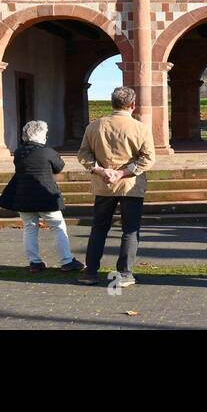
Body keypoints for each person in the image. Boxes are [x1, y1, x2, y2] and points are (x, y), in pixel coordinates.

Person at [76, 86, 156, 288]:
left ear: (112, 103)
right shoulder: (140, 128)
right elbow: (148, 159)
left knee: (99, 228)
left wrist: (101, 170)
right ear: (132, 105)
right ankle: (124, 274)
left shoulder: (94, 126)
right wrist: (122, 172)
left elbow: (83, 155)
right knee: (130, 229)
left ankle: (91, 272)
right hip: (130, 186)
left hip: (104, 185)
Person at [0, 119, 84, 274]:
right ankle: (67, 261)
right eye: (45, 134)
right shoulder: (48, 152)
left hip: (23, 196)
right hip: (45, 197)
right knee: (58, 227)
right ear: (42, 136)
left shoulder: (19, 153)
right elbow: (59, 167)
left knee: (30, 228)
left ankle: (35, 262)